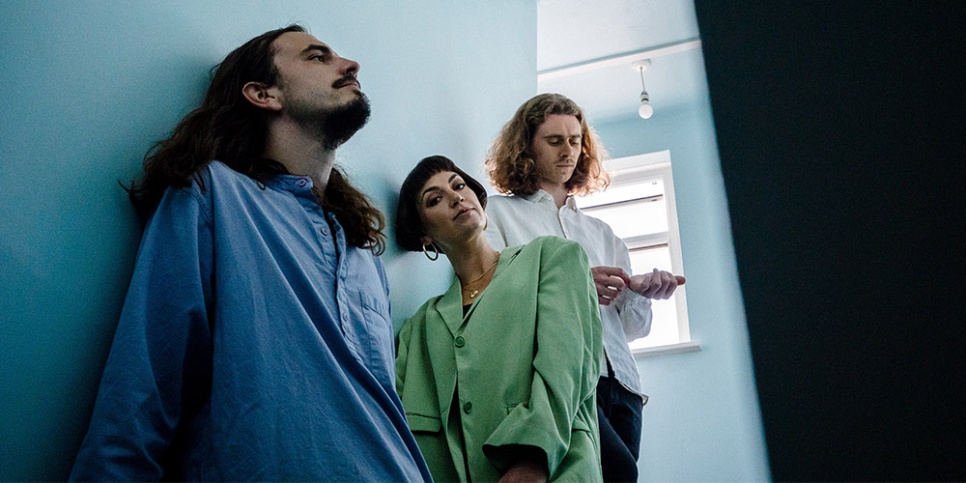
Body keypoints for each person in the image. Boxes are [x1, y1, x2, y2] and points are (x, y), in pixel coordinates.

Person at [69, 25, 431, 481]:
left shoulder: (362, 252)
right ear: (263, 93)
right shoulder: (213, 194)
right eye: (317, 57)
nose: (350, 64)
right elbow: (142, 391)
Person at [484, 93, 684, 482]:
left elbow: (633, 330)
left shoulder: (602, 234)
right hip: (562, 378)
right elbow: (493, 295)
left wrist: (640, 292)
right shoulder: (498, 213)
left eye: (575, 141)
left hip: (623, 386)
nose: (568, 151)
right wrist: (573, 282)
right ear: (526, 146)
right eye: (554, 141)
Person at [394, 155, 604, 482]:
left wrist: (533, 456)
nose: (455, 197)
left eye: (459, 185)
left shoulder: (551, 258)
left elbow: (568, 365)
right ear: (425, 236)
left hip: (557, 470)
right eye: (435, 199)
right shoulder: (418, 330)